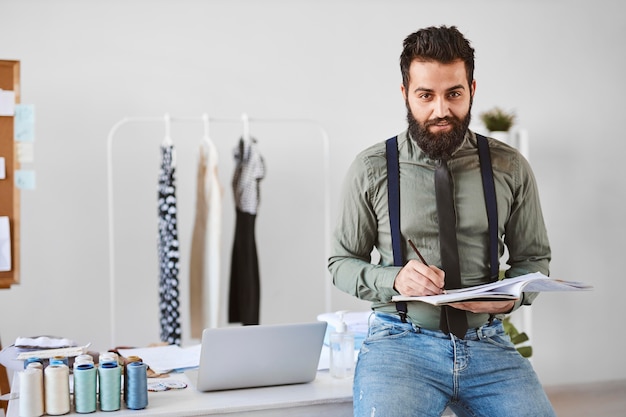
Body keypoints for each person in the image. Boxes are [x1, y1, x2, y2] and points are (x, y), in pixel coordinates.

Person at [328, 25, 555, 417]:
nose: (440, 110)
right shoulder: (371, 169)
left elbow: (534, 259)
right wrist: (394, 279)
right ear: (405, 94)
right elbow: (341, 263)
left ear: (472, 89)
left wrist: (512, 296)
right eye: (425, 96)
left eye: (453, 94)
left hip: (488, 344)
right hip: (399, 345)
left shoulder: (510, 166)